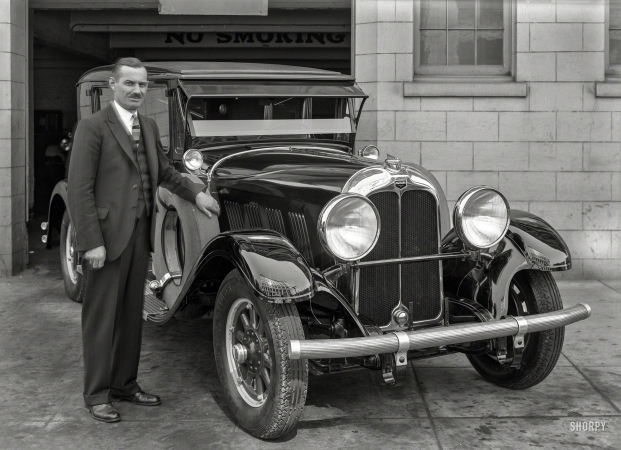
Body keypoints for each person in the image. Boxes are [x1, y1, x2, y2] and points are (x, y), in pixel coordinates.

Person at [67, 57, 220, 423]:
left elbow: (165, 171)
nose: (137, 90)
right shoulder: (93, 127)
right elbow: (79, 190)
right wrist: (91, 242)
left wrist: (196, 193)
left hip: (139, 236)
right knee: (101, 317)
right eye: (129, 83)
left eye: (142, 85)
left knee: (132, 318)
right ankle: (97, 394)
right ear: (113, 86)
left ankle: (124, 384)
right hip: (106, 238)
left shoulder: (148, 127)